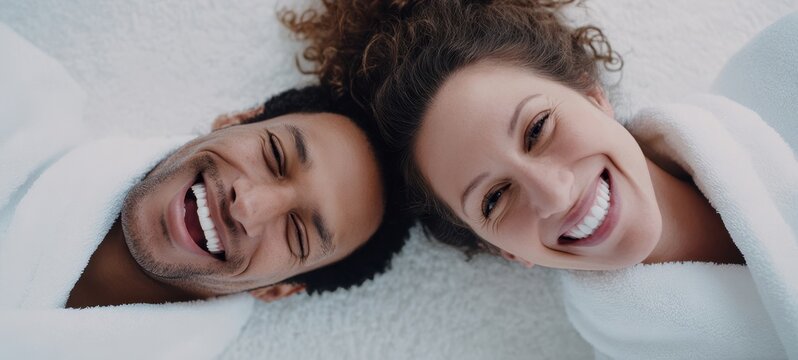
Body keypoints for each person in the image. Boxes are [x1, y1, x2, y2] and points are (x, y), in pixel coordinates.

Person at [279, 0, 798, 358]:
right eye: (496, 199)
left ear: (592, 95)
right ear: (508, 252)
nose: (553, 193)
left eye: (538, 129)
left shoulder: (784, 67)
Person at [0, 24, 413, 309]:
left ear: (278, 290)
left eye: (297, 233)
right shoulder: (16, 94)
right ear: (235, 120)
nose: (248, 206)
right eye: (273, 156)